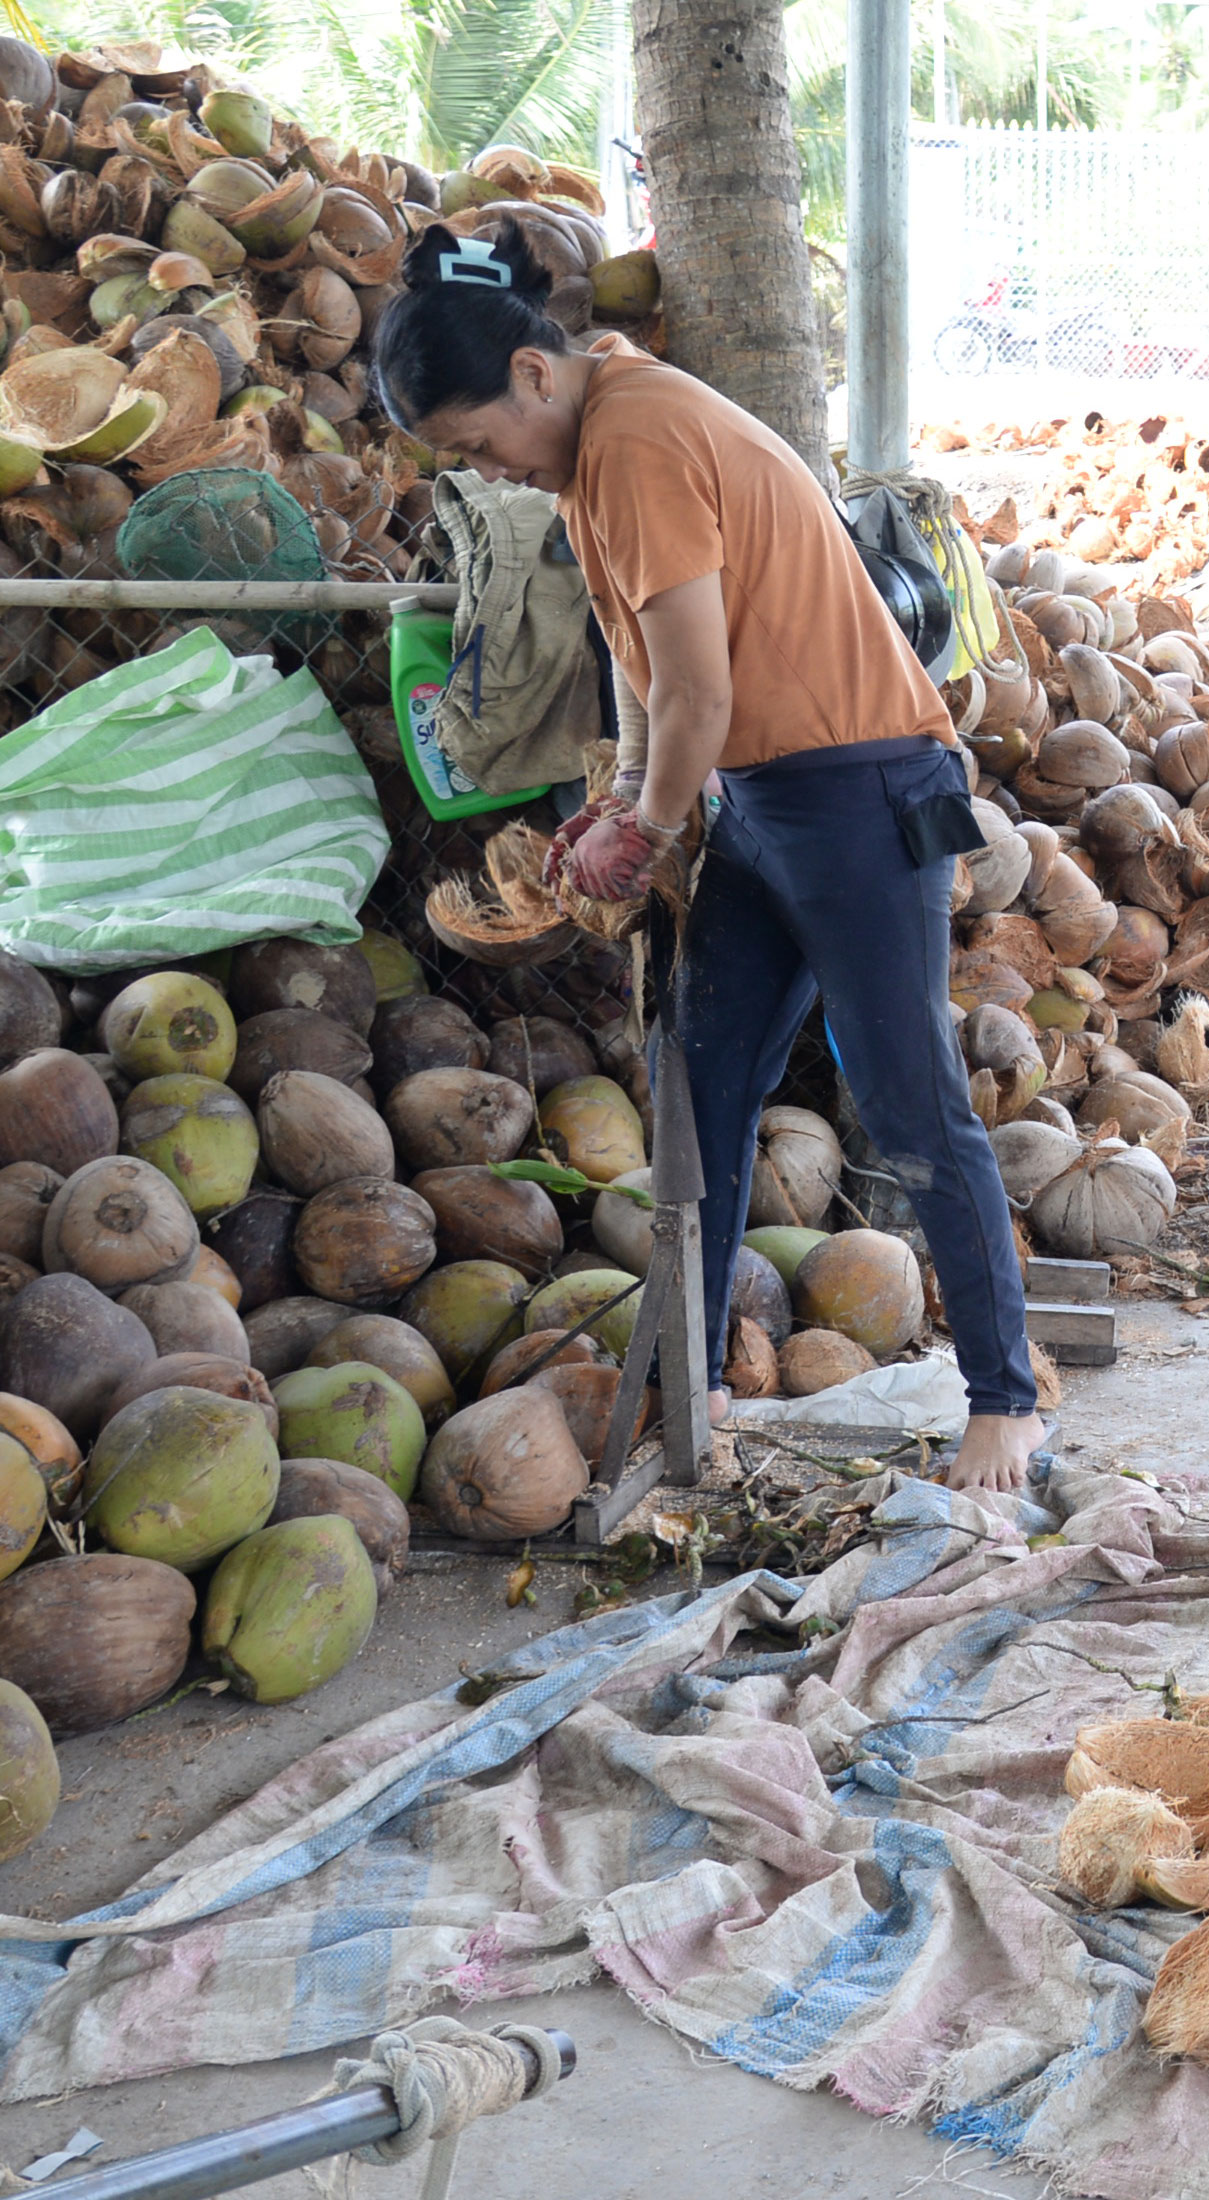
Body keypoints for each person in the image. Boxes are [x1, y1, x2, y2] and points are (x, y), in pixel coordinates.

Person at [364, 225, 1044, 1495]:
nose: (484, 471)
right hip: (762, 795)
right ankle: (708, 1379)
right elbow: (642, 670)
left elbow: (699, 688)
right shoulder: (585, 447)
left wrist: (648, 826)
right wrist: (628, 792)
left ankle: (1007, 1399)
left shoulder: (638, 438)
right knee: (703, 1068)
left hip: (861, 784)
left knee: (903, 1094)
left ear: (529, 373)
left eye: (474, 443)